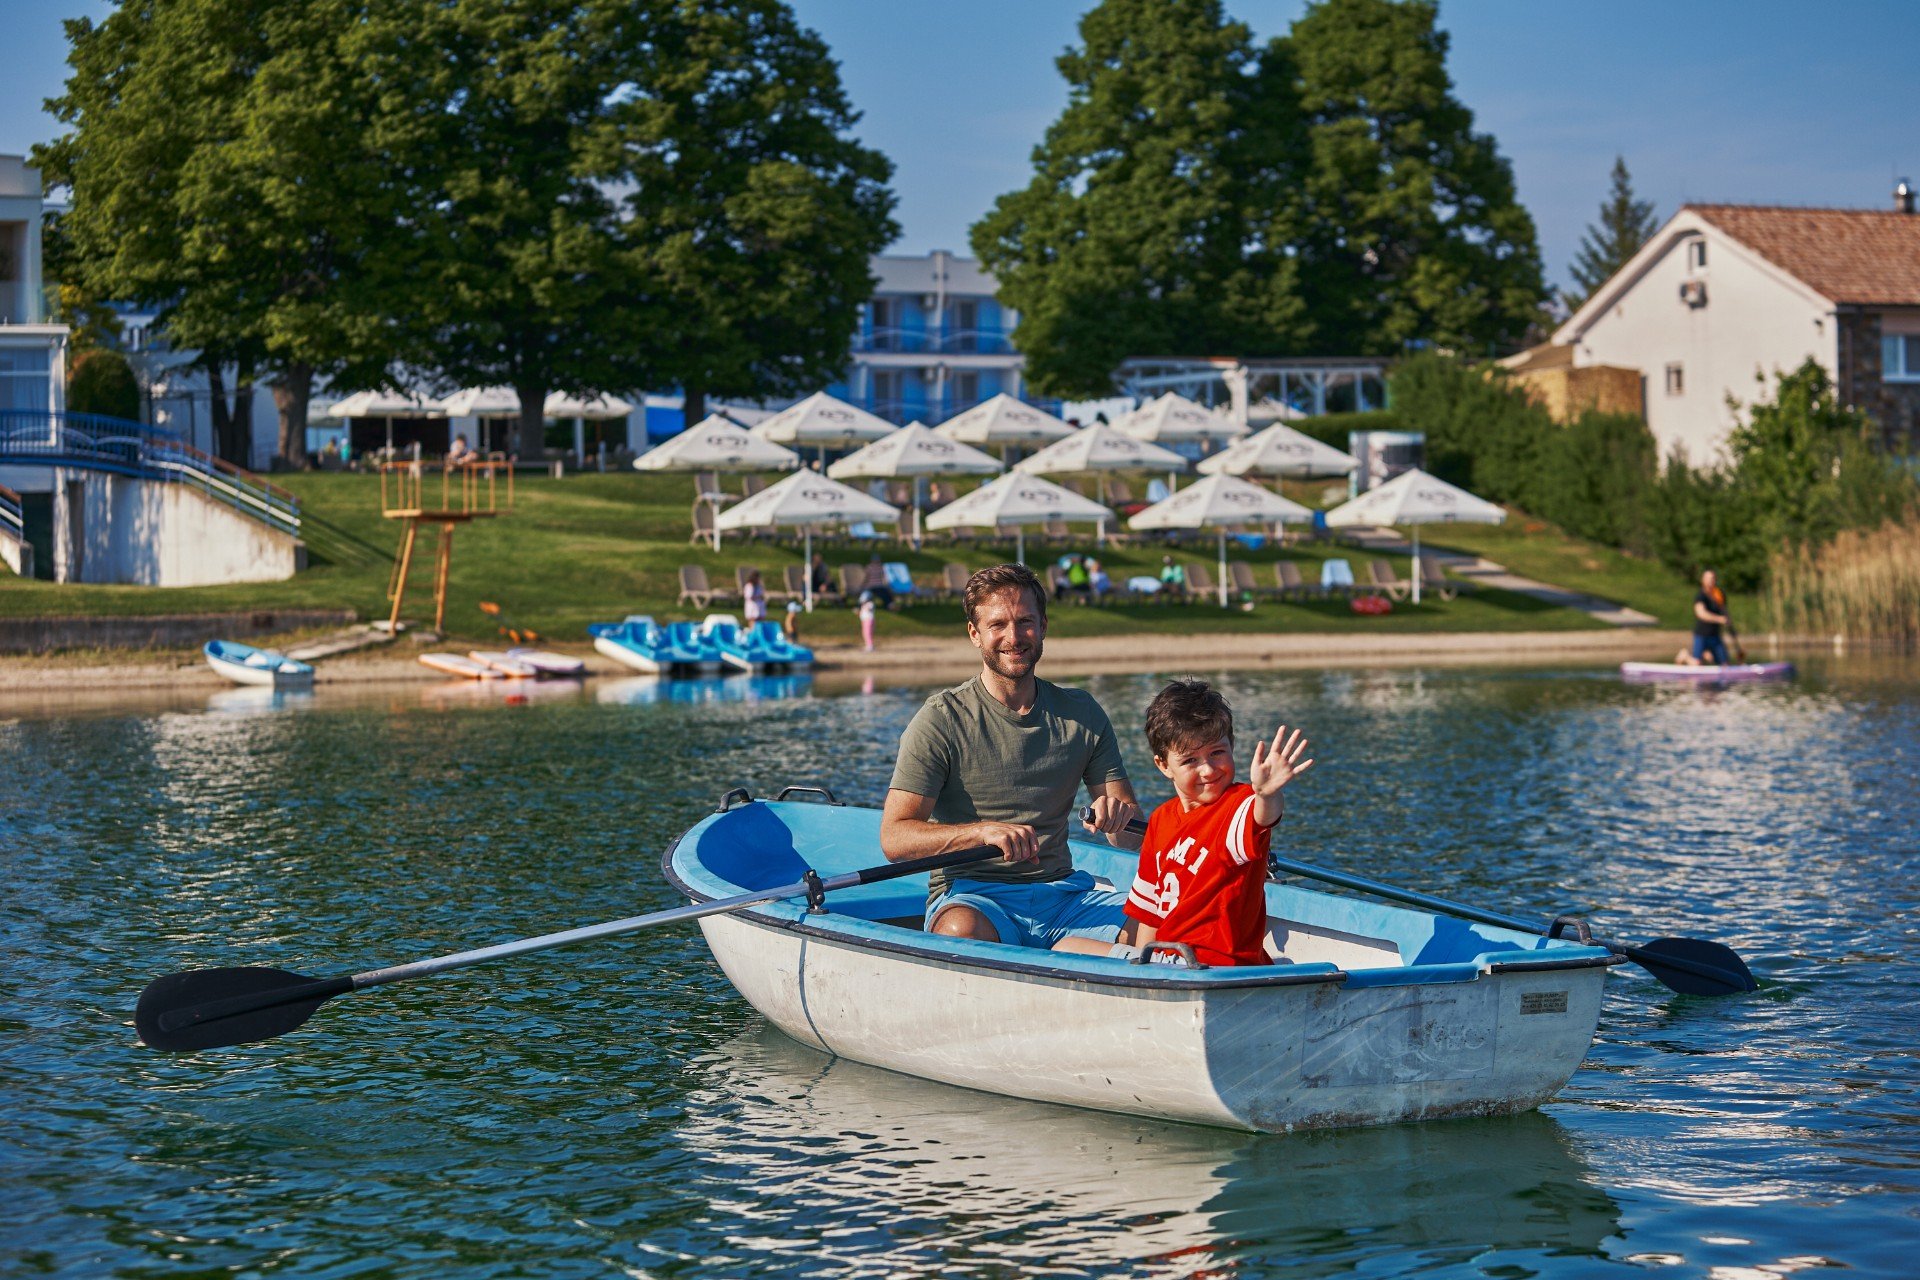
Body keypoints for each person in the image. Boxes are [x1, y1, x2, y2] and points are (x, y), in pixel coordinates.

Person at [879, 563, 1143, 954]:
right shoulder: (940, 719)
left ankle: (1076, 954)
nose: (1014, 637)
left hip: (1065, 897)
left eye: (1025, 622)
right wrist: (982, 832)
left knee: (1166, 922)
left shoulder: (1083, 712)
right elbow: (894, 838)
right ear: (975, 634)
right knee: (959, 931)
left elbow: (1131, 838)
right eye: (998, 625)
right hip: (974, 898)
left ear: (1043, 626)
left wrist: (1118, 818)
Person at [1123, 680, 1314, 967]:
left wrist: (1268, 794)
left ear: (1231, 745)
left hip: (1219, 967)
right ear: (1163, 765)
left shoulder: (1238, 804)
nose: (1208, 770)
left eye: (1217, 753)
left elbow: (1262, 816)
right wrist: (1143, 972)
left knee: (1067, 946)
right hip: (1165, 965)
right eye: (1190, 760)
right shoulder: (1161, 819)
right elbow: (1149, 916)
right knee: (1071, 945)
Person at [1678, 568, 1732, 666]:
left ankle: (1706, 654)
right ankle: (1685, 656)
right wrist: (1719, 619)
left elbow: (1724, 611)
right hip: (1702, 635)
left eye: (1713, 578)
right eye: (1708, 578)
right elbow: (1701, 614)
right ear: (1702, 580)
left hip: (1715, 635)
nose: (1711, 581)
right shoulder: (1700, 596)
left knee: (1725, 665)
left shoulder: (1719, 595)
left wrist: (1727, 619)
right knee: (1697, 664)